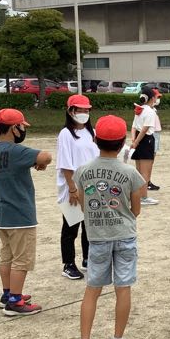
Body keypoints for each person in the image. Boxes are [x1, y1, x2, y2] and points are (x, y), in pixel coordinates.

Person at [73, 115, 147, 339]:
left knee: (92, 289)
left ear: (95, 140)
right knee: (122, 288)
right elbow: (136, 209)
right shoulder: (130, 172)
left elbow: (84, 205)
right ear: (122, 142)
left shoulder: (83, 171)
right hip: (124, 235)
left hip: (97, 237)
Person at [0, 108, 52, 316]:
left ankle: (7, 294)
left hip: (3, 213)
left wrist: (34, 163)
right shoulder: (15, 151)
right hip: (20, 215)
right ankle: (15, 302)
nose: (24, 130)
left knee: (7, 256)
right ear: (13, 128)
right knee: (22, 259)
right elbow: (46, 156)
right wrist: (39, 162)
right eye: (22, 127)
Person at [56, 94, 98, 280]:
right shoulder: (66, 134)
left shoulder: (92, 132)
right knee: (71, 226)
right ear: (71, 111)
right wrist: (72, 188)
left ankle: (88, 258)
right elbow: (65, 164)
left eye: (86, 110)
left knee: (89, 226)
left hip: (90, 186)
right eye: (79, 110)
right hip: (73, 186)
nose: (83, 113)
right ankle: (68, 263)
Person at [130, 85, 160, 204]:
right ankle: (143, 197)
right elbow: (145, 129)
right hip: (146, 140)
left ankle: (137, 196)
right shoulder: (150, 111)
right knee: (145, 172)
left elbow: (133, 127)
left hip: (138, 139)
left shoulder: (139, 109)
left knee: (138, 171)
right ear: (152, 98)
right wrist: (136, 142)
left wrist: (134, 141)